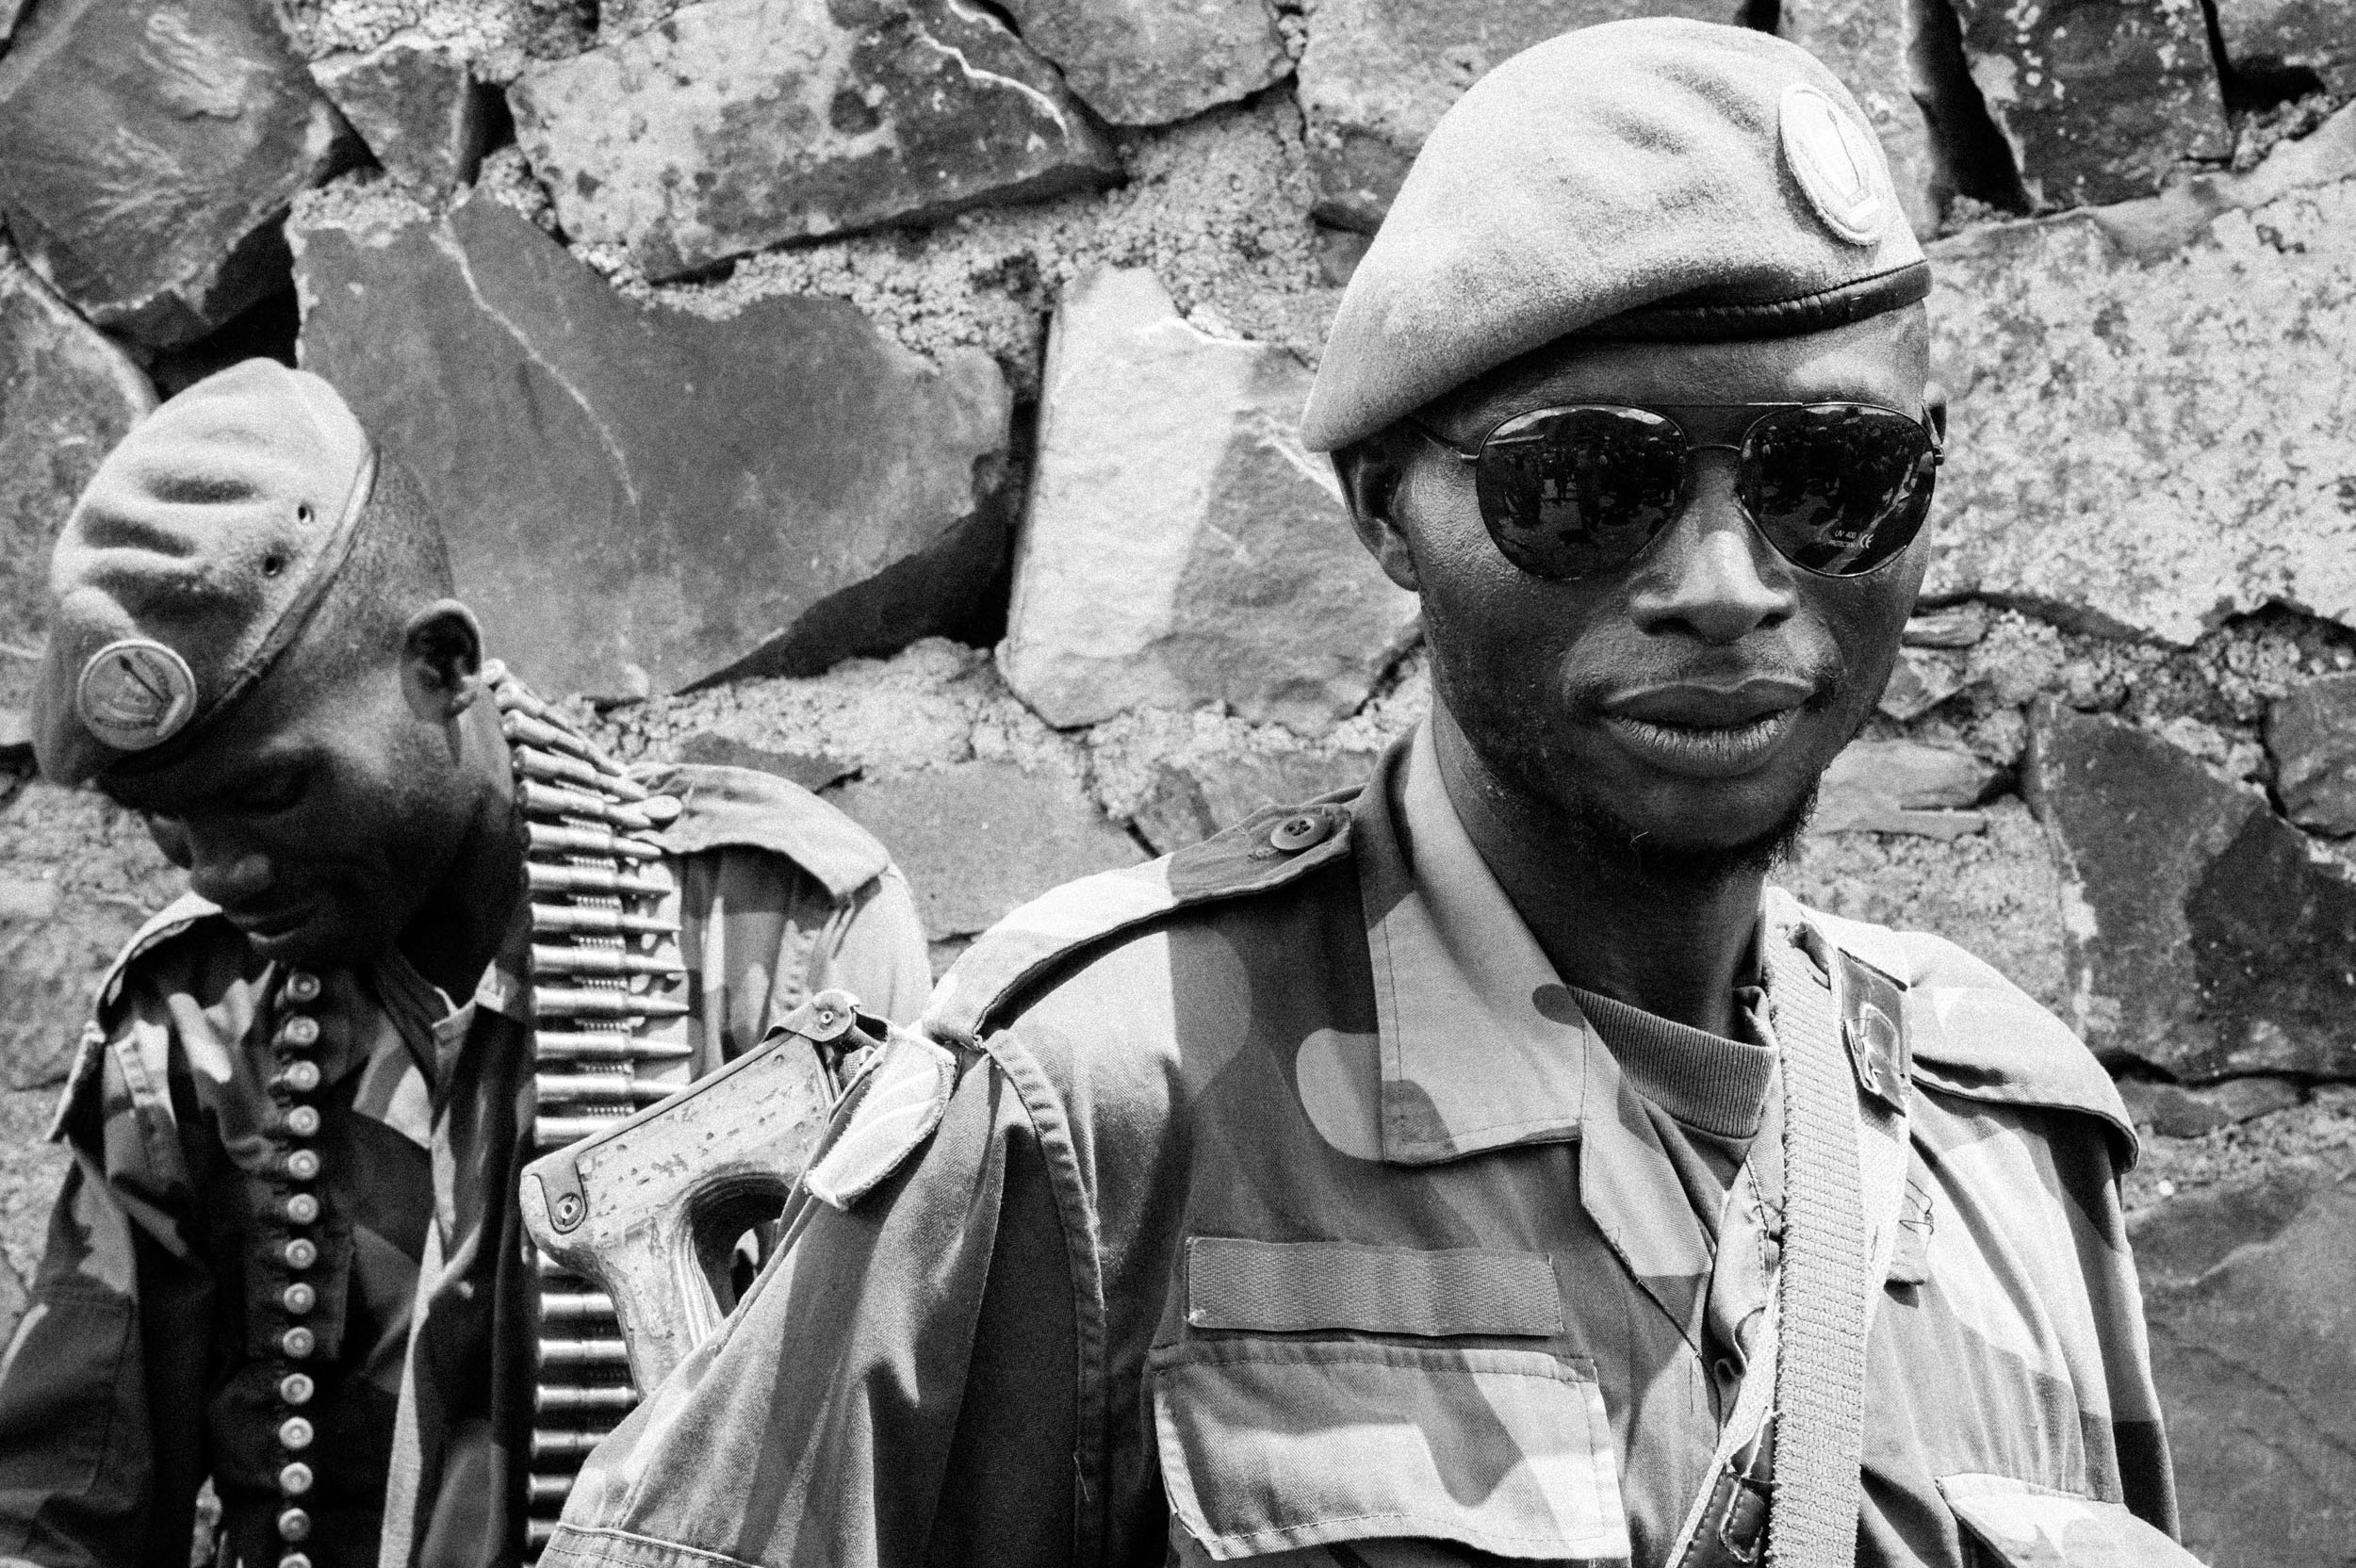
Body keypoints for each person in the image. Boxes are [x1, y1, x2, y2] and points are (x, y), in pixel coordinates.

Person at [543, 21, 2191, 1568]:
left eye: (1830, 476)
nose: (1723, 582)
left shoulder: (2007, 1136)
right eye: (1587, 482)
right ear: (1384, 510)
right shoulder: (1103, 1101)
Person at [0, 359, 931, 1568]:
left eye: (270, 791)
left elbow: (889, 1449)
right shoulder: (191, 1023)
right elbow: (60, 1509)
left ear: (440, 667)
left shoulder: (779, 940)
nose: (215, 872)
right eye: (170, 824)